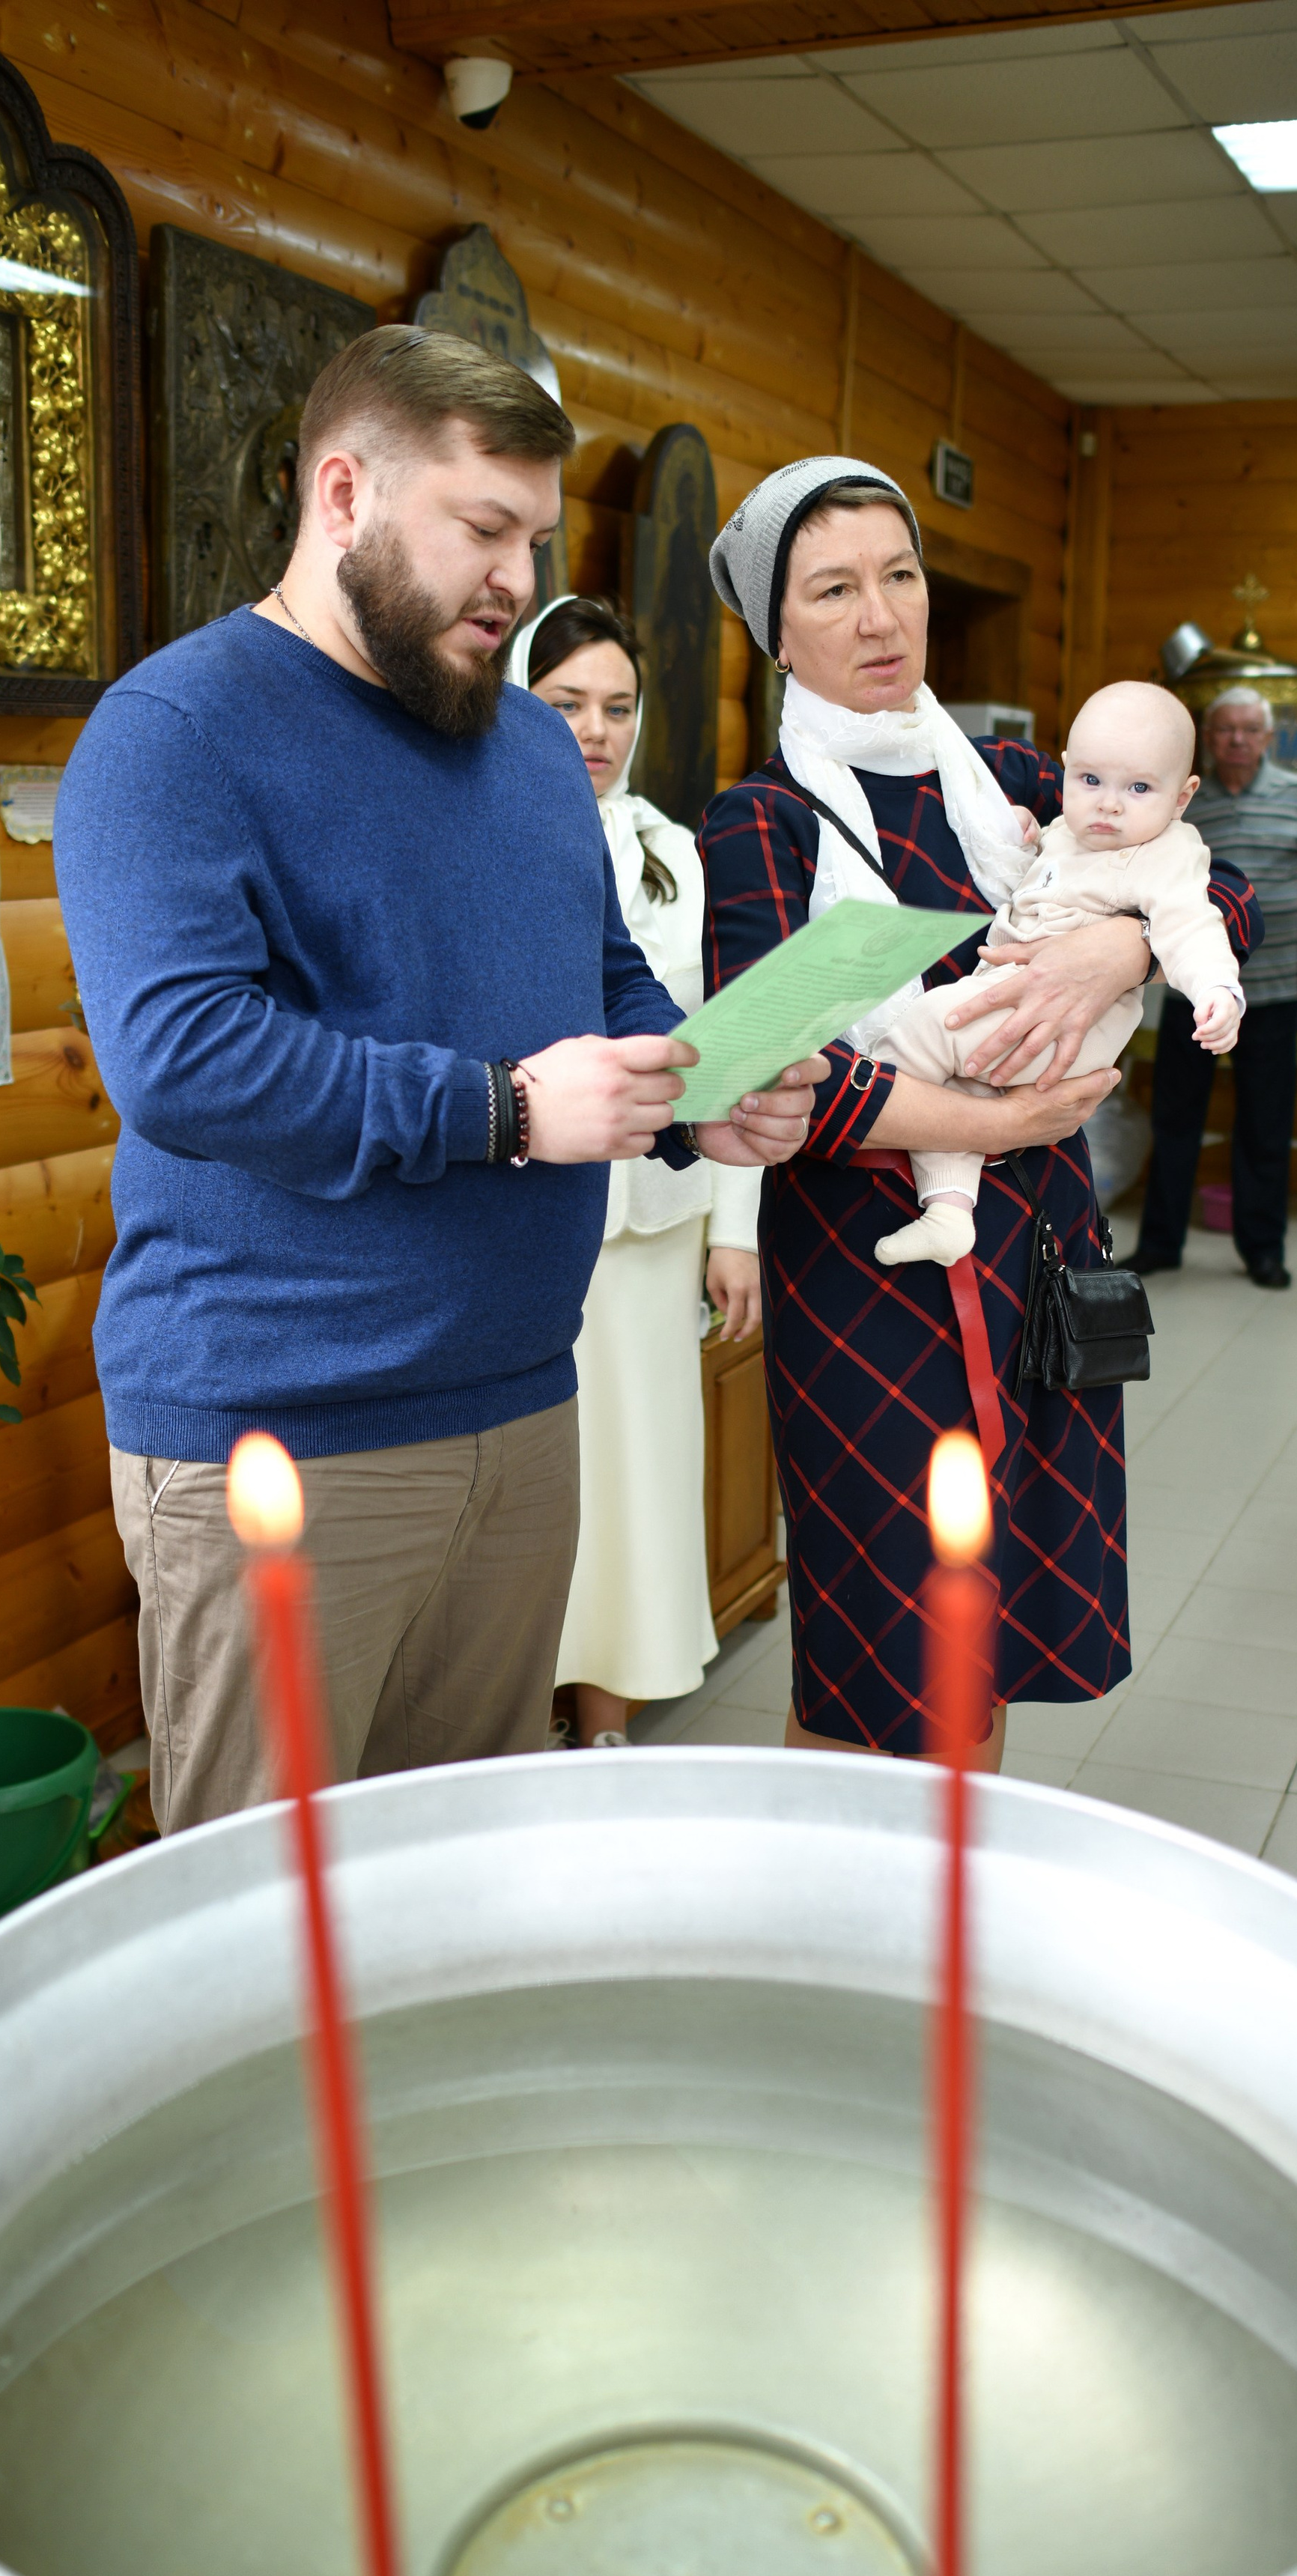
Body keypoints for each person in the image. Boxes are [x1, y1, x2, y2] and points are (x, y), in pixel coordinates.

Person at [55, 326, 815, 1832]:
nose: (518, 582)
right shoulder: (173, 734)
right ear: (342, 496)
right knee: (270, 1921)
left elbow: (596, 980)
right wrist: (512, 1114)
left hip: (526, 1404)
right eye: (481, 531)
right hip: (281, 1426)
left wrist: (696, 1098)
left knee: (457, 1883)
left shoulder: (532, 754)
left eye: (531, 539)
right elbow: (188, 1062)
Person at [701, 455, 1261, 1764]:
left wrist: (1116, 954)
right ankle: (847, 1937)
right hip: (866, 1282)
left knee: (990, 1633)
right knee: (880, 1646)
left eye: (900, 576)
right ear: (776, 630)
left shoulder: (1008, 776)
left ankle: (951, 1918)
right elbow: (762, 1072)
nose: (882, 617)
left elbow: (1214, 876)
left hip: (1036, 1253)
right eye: (834, 589)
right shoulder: (764, 822)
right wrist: (992, 1125)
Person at [513, 593, 761, 1747]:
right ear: (518, 696)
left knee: (632, 1474)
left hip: (653, 1224)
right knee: (536, 1481)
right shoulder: (487, 831)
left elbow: (723, 1043)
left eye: (617, 707)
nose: (597, 732)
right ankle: (517, 1706)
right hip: (521, 1215)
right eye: (567, 705)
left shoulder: (676, 851)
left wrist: (736, 1229)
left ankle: (605, 1713)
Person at [875, 681, 1243, 1268]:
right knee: (959, 1092)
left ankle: (865, 1103)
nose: (1109, 804)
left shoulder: (1167, 852)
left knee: (925, 1025)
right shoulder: (1067, 831)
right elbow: (1039, 873)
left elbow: (1195, 925)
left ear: (1183, 796)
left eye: (1140, 788)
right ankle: (948, 1212)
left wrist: (1216, 990)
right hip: (1021, 1020)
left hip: (1064, 1032)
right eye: (1090, 781)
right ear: (1067, 770)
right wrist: (1021, 827)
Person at [1131, 683, 1297, 1291]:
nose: (1238, 740)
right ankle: (1161, 1243)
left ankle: (1263, 1250)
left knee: (1265, 1127)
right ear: (1208, 736)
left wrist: (1283, 955)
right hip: (1188, 994)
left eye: (1250, 729)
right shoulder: (1182, 802)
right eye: (1226, 729)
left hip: (1271, 996)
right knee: (1175, 1120)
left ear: (1269, 738)